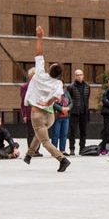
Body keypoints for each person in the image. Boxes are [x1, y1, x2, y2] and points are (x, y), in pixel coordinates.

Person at [22, 26, 72, 173]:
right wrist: (48, 103)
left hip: (37, 114)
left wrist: (39, 38)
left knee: (44, 141)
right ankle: (29, 155)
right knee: (40, 133)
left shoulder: (39, 74)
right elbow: (57, 96)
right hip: (50, 115)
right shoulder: (58, 83)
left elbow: (39, 54)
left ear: (49, 70)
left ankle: (62, 159)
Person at [67, 68, 92, 155]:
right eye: (77, 75)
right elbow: (69, 99)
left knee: (83, 131)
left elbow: (87, 98)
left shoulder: (87, 86)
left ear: (83, 75)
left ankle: (82, 148)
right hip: (74, 112)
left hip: (84, 112)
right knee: (72, 131)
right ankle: (72, 149)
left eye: (81, 75)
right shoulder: (71, 87)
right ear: (75, 76)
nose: (79, 76)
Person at [51, 90, 71, 155]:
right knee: (55, 134)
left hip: (66, 116)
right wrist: (61, 108)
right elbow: (52, 103)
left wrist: (68, 108)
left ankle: (62, 150)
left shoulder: (66, 93)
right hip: (57, 116)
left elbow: (71, 102)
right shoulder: (53, 92)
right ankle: (54, 151)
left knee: (64, 134)